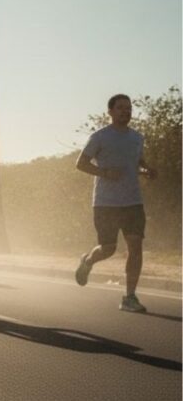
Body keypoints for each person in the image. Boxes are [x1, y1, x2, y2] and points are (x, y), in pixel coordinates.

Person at [74, 94, 157, 312]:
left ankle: (129, 297)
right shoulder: (100, 137)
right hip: (105, 203)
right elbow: (81, 163)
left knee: (135, 247)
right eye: (120, 108)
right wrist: (104, 172)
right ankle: (88, 261)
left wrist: (147, 170)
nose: (125, 112)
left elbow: (136, 161)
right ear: (110, 112)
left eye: (128, 108)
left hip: (133, 201)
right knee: (109, 249)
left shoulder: (137, 138)